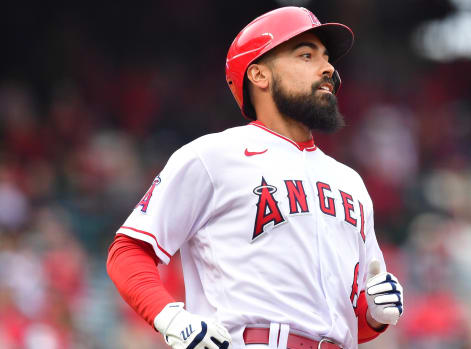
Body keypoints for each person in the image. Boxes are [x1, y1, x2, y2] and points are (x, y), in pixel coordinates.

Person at [106, 6, 404, 349]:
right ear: (259, 75)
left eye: (327, 59)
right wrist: (169, 316)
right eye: (306, 55)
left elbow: (343, 318)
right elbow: (128, 249)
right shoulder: (213, 156)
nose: (328, 69)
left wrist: (373, 315)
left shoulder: (349, 181)